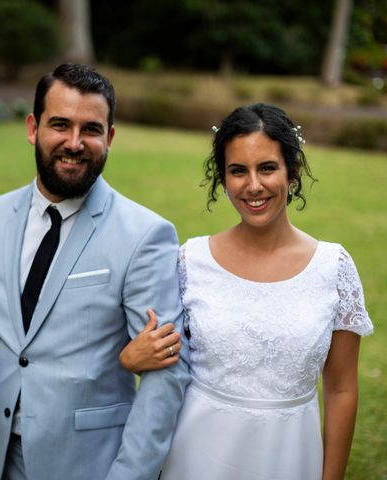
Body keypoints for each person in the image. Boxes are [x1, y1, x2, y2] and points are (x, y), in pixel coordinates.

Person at [0, 63, 190, 480]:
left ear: (109, 137)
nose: (74, 142)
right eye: (60, 125)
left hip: (91, 464)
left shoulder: (146, 234)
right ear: (33, 128)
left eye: (90, 129)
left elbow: (167, 373)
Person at [120, 103, 373, 479]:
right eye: (238, 171)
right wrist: (130, 359)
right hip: (197, 453)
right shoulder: (190, 261)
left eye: (267, 168)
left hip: (290, 453)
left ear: (293, 171)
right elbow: (159, 354)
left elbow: (341, 391)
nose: (253, 186)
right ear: (223, 179)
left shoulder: (333, 268)